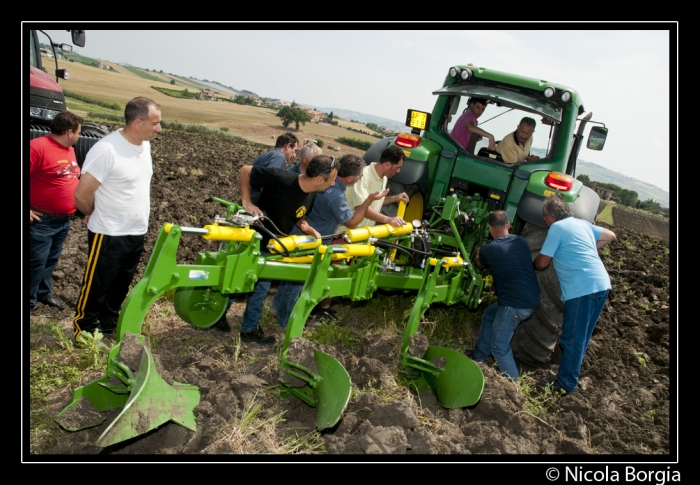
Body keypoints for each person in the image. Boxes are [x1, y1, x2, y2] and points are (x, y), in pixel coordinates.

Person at [72, 97, 162, 340]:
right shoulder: (107, 150)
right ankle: (84, 331)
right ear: (137, 122)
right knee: (97, 285)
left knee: (121, 284)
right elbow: (82, 194)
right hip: (109, 232)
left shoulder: (145, 146)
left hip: (136, 230)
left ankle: (108, 326)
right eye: (155, 123)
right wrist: (91, 212)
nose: (159, 128)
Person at [232, 155, 338, 343]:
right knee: (245, 283)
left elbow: (298, 214)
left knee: (254, 285)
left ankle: (238, 324)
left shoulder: (311, 194)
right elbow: (245, 170)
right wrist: (247, 202)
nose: (333, 184)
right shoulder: (282, 179)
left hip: (274, 245)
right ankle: (234, 323)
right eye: (332, 180)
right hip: (255, 240)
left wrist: (306, 227)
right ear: (320, 179)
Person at [288, 154, 389, 325]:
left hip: (300, 234)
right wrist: (369, 200)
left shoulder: (325, 184)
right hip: (314, 242)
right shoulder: (336, 195)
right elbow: (352, 222)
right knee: (300, 283)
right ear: (350, 178)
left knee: (290, 280)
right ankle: (290, 319)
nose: (360, 178)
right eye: (359, 176)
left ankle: (280, 311)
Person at [534, 194, 616, 394]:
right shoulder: (582, 224)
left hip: (583, 288)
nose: (544, 220)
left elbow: (542, 262)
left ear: (551, 216)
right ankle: (566, 376)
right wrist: (588, 250)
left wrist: (532, 264)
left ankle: (566, 385)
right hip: (601, 283)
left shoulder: (557, 228)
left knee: (572, 338)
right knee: (582, 337)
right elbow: (610, 235)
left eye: (544, 216)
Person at [468, 210, 541, 379]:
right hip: (532, 300)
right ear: (508, 225)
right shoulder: (521, 241)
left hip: (514, 305)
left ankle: (514, 388)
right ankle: (479, 356)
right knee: (489, 314)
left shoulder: (490, 249)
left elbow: (479, 265)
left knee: (499, 347)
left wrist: (477, 253)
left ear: (489, 227)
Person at [29, 111, 84, 312]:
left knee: (51, 259)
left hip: (64, 219)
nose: (80, 136)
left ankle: (44, 294)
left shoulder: (68, 149)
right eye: (79, 132)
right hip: (42, 219)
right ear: (69, 132)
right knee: (35, 261)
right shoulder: (37, 148)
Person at [336, 146, 409, 233]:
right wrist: (389, 219)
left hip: (363, 234)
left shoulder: (383, 178)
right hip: (346, 234)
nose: (398, 171)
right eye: (398, 167)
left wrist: (395, 198)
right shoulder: (363, 177)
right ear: (387, 165)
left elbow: (375, 202)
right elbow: (362, 208)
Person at [250, 132, 300, 203]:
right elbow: (267, 185)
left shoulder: (269, 154)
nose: (294, 155)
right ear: (288, 146)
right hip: (256, 202)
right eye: (294, 151)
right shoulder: (279, 158)